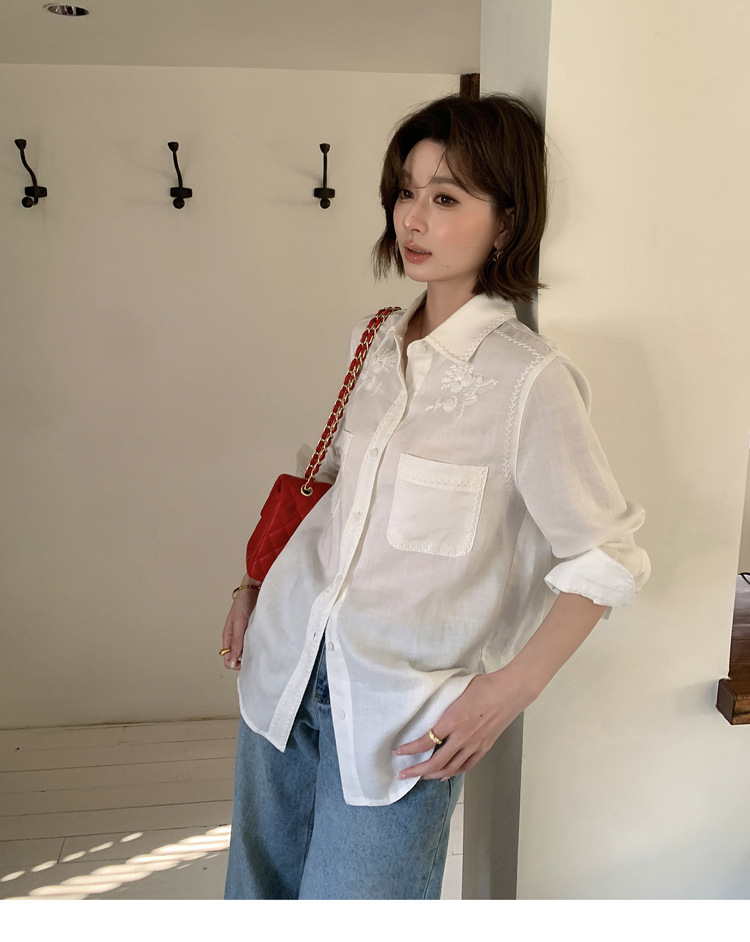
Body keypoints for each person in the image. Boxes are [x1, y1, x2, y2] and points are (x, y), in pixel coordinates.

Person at [220, 93, 651, 900]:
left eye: (446, 198)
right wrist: (255, 583)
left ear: (507, 221)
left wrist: (504, 694)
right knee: (256, 898)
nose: (412, 219)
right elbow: (332, 488)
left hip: (402, 715)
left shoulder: (527, 380)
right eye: (405, 192)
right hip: (283, 669)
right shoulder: (375, 340)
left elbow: (606, 560)